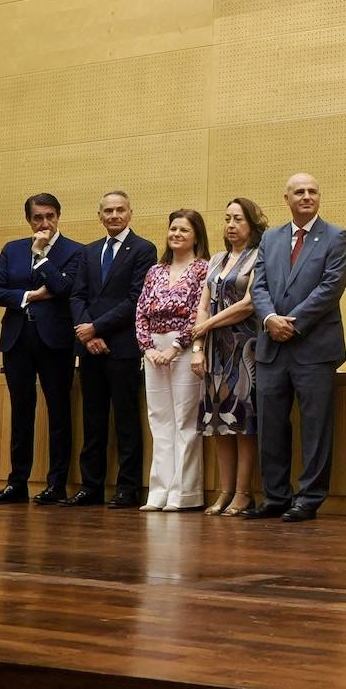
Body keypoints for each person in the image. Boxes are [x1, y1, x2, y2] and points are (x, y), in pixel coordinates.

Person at [246, 173, 346, 523]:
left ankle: (309, 497)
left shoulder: (337, 236)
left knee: (315, 426)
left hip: (314, 346)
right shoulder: (271, 239)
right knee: (271, 425)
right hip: (271, 346)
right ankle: (276, 495)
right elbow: (257, 286)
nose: (307, 196)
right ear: (286, 198)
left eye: (312, 191)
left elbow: (330, 288)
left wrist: (289, 322)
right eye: (299, 192)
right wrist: (269, 320)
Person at [0, 194, 85, 505]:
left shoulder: (75, 251)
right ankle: (17, 483)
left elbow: (65, 289)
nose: (45, 224)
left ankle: (56, 484)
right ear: (28, 219)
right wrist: (30, 295)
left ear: (59, 216)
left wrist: (40, 255)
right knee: (21, 412)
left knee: (58, 413)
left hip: (55, 341)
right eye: (38, 217)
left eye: (50, 216)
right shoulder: (12, 249)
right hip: (17, 339)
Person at [66, 191, 157, 508]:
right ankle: (91, 486)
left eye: (120, 210)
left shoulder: (144, 249)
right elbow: (77, 296)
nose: (114, 215)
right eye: (108, 211)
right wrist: (87, 333)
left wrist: (97, 327)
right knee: (93, 420)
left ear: (131, 212)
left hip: (122, 347)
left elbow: (136, 299)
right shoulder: (88, 252)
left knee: (126, 421)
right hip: (89, 348)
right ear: (99, 215)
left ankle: (127, 489)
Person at [192, 198, 265, 516]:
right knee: (218, 423)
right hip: (214, 351)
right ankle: (224, 491)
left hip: (245, 348)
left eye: (238, 219)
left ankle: (243, 493)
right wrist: (198, 344)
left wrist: (205, 325)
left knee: (243, 423)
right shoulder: (217, 259)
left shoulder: (259, 257)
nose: (231, 225)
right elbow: (203, 303)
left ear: (251, 223)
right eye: (227, 219)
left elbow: (250, 303)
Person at [135, 210, 210, 512]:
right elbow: (141, 309)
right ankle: (159, 492)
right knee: (159, 420)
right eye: (173, 229)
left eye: (184, 229)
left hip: (185, 347)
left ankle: (184, 493)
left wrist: (177, 346)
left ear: (196, 235)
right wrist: (147, 347)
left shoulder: (203, 268)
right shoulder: (155, 270)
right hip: (154, 349)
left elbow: (198, 311)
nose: (177, 234)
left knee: (185, 420)